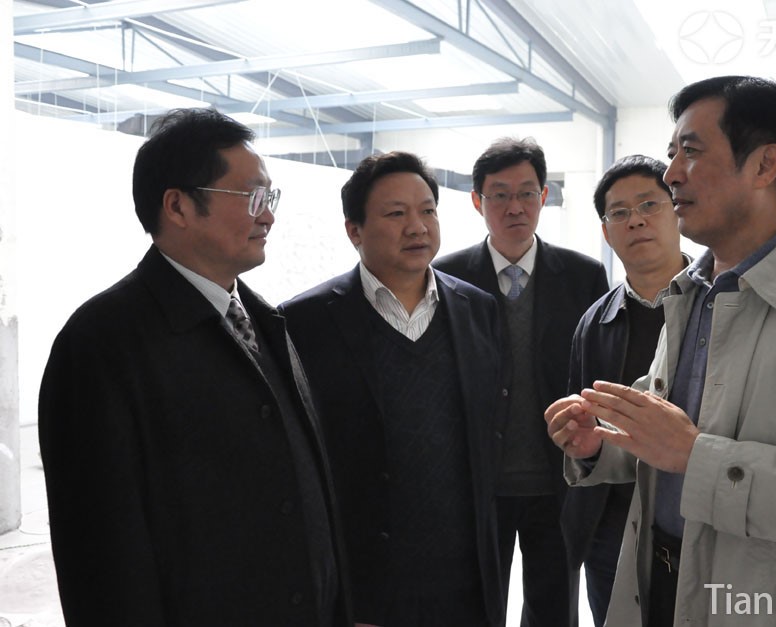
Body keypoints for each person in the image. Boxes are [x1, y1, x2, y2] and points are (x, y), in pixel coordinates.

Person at [546, 75, 776, 627]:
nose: (672, 174)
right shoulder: (691, 294)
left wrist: (696, 456)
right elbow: (665, 437)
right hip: (659, 584)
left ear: (765, 165)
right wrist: (597, 443)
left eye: (691, 152)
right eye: (671, 154)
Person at [38, 108, 352, 626]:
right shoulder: (100, 345)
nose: (268, 217)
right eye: (251, 197)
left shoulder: (265, 321)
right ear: (178, 206)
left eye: (269, 198)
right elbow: (99, 555)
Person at [280, 151, 505, 627]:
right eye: (396, 213)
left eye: (428, 211)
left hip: (465, 581)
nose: (417, 227)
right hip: (366, 585)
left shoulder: (477, 310)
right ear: (354, 230)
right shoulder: (304, 322)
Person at [435, 137, 609, 627]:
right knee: (475, 609)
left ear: (544, 196)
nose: (515, 207)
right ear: (477, 201)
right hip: (479, 484)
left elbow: (598, 372)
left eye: (527, 193)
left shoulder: (583, 275)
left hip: (558, 480)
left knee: (554, 611)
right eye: (500, 195)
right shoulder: (445, 277)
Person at [561, 155, 690, 627]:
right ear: (606, 231)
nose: (635, 220)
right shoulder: (594, 322)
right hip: (611, 529)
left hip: (696, 520)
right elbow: (582, 427)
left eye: (649, 204)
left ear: (677, 211)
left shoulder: (720, 303)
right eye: (619, 212)